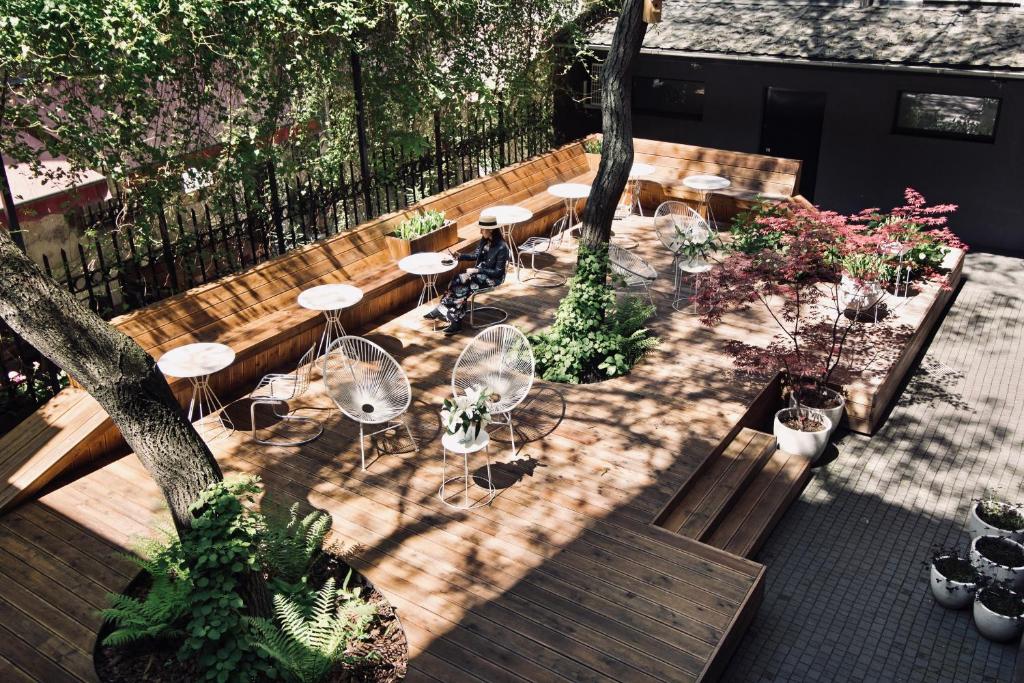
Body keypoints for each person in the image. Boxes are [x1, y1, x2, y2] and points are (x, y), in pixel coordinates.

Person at [425, 215, 510, 335]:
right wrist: (460, 256)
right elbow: (476, 255)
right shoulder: (485, 239)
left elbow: (498, 272)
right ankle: (453, 320)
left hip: (492, 278)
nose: (480, 231)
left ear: (491, 229)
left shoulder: (502, 247)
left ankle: (447, 314)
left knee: (462, 287)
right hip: (479, 274)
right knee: (456, 280)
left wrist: (477, 271)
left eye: (483, 229)